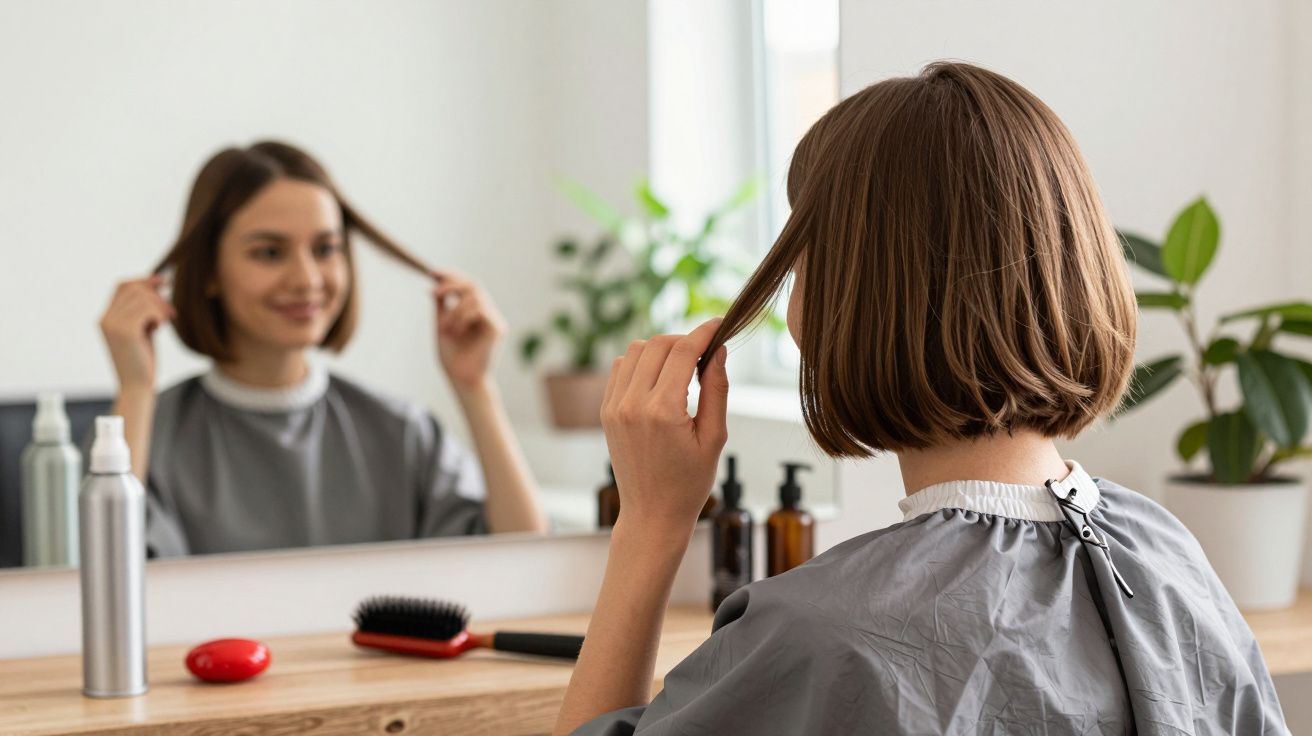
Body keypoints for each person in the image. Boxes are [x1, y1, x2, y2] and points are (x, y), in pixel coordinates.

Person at [555, 62, 1288, 734]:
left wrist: (650, 521)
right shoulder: (1168, 555)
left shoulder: (819, 639)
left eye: (806, 265)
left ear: (853, 296)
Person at [98, 141, 545, 557]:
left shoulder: (403, 433)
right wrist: (134, 389)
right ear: (209, 270)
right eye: (269, 253)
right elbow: (106, 589)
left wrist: (476, 387)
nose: (307, 279)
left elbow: (522, 564)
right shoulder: (144, 439)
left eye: (326, 248)